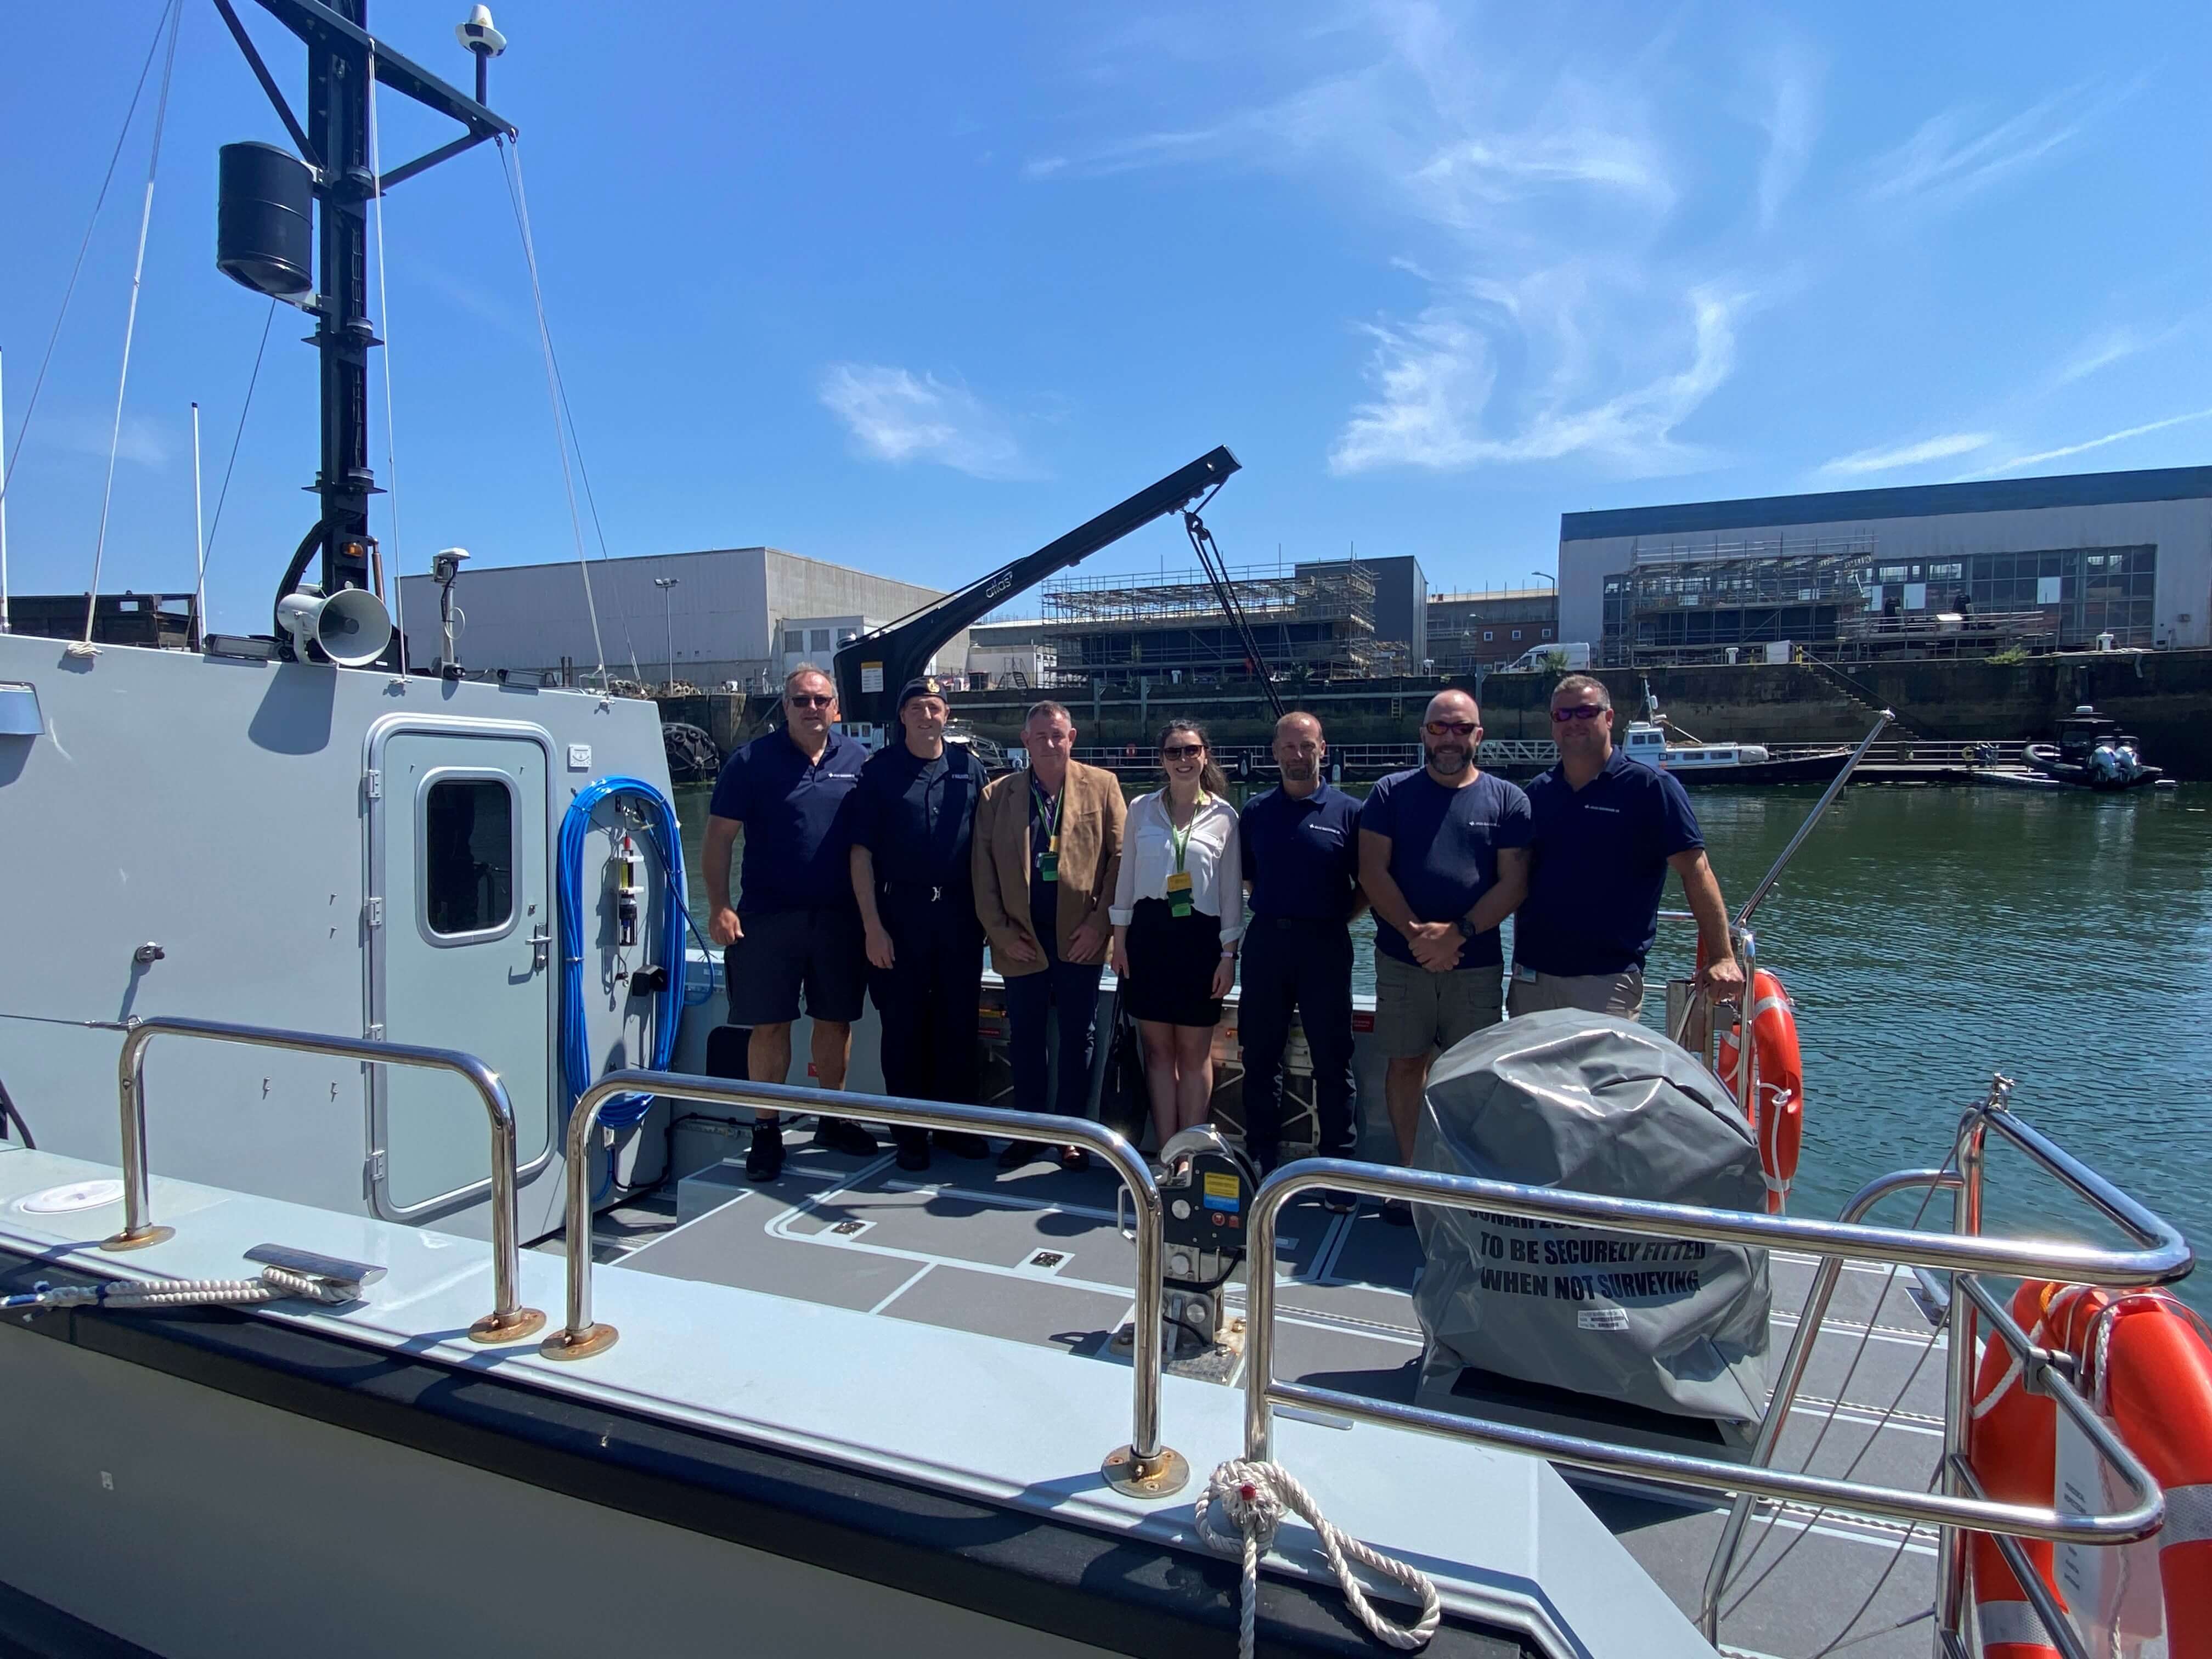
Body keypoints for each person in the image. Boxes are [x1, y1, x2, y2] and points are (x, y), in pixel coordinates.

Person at [1358, 689, 1531, 1222]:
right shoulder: (1389, 794)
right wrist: (1416, 934)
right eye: (1439, 728)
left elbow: (1515, 882)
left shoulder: (1508, 800)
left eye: (1461, 728)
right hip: (1402, 959)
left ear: (1479, 735)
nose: (1449, 738)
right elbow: (1372, 872)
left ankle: (1462, 1179)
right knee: (1406, 1064)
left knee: (1470, 1073)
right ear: (1423, 735)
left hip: (1473, 963)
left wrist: (1457, 934)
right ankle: (1411, 1175)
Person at [703, 664, 872, 1182]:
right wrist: (718, 905)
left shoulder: (858, 760)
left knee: (835, 1021)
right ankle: (766, 1131)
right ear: (786, 707)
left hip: (840, 919)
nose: (812, 709)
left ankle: (832, 1118)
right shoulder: (750, 762)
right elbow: (718, 839)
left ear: (836, 708)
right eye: (801, 700)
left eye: (821, 700)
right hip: (768, 918)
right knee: (770, 1025)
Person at [1513, 674, 1743, 1017]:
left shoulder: (1651, 788)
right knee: (1527, 1073)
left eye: (1585, 712)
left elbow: (1697, 871)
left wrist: (1722, 956)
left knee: (1599, 1073)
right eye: (1562, 715)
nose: (1573, 722)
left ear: (1609, 718)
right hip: (1531, 977)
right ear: (1552, 726)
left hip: (1607, 980)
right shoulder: (1537, 793)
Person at [973, 701, 1125, 1170]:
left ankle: (1072, 1134)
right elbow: (982, 874)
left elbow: (1121, 861)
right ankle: (1029, 1131)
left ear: (1072, 737)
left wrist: (1100, 924)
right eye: (1040, 737)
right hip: (1021, 940)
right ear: (1025, 741)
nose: (1050, 743)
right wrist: (1000, 934)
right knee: (1026, 1037)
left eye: (1057, 735)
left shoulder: (1102, 786)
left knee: (1079, 1036)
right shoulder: (997, 796)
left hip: (1080, 937)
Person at [850, 679, 994, 1173]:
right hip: (899, 918)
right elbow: (861, 854)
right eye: (915, 708)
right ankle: (910, 1133)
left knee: (958, 1025)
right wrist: (872, 925)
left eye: (933, 707)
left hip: (959, 918)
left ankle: (956, 1128)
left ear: (946, 714)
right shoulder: (878, 773)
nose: (926, 716)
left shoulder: (968, 768)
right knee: (904, 1028)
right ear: (903, 718)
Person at [1237, 712, 1362, 1187]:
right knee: (1260, 1055)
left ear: (1322, 749)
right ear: (1274, 752)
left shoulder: (1349, 812)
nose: (1297, 755)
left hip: (1326, 944)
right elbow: (1248, 877)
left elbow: (1366, 883)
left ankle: (1337, 1165)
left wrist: (1331, 917)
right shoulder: (1255, 813)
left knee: (1334, 1057)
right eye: (1288, 747)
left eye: (1306, 746)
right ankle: (1260, 1157)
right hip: (1268, 940)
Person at [1111, 720, 1244, 1152]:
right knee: (1157, 1053)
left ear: (1205, 755)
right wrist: (1120, 940)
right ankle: (1166, 1150)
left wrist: (1229, 955)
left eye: (1191, 751)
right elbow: (1126, 879)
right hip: (1148, 938)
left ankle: (1189, 1151)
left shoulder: (1225, 816)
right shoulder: (1140, 809)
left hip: (1200, 942)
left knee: (1193, 1054)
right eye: (1174, 752)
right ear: (1161, 760)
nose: (1183, 760)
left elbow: (1229, 893)